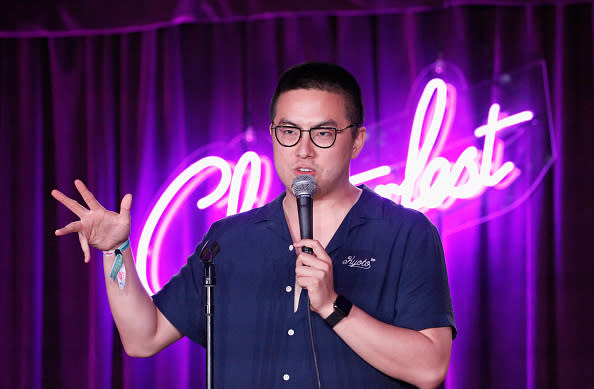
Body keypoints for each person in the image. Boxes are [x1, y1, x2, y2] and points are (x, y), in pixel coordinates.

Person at [52, 62, 456, 388]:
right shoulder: (230, 239)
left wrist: (333, 306)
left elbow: (429, 368)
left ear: (357, 140)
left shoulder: (405, 232)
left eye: (324, 133)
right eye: (288, 131)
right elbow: (144, 337)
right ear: (273, 136)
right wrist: (115, 253)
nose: (303, 149)